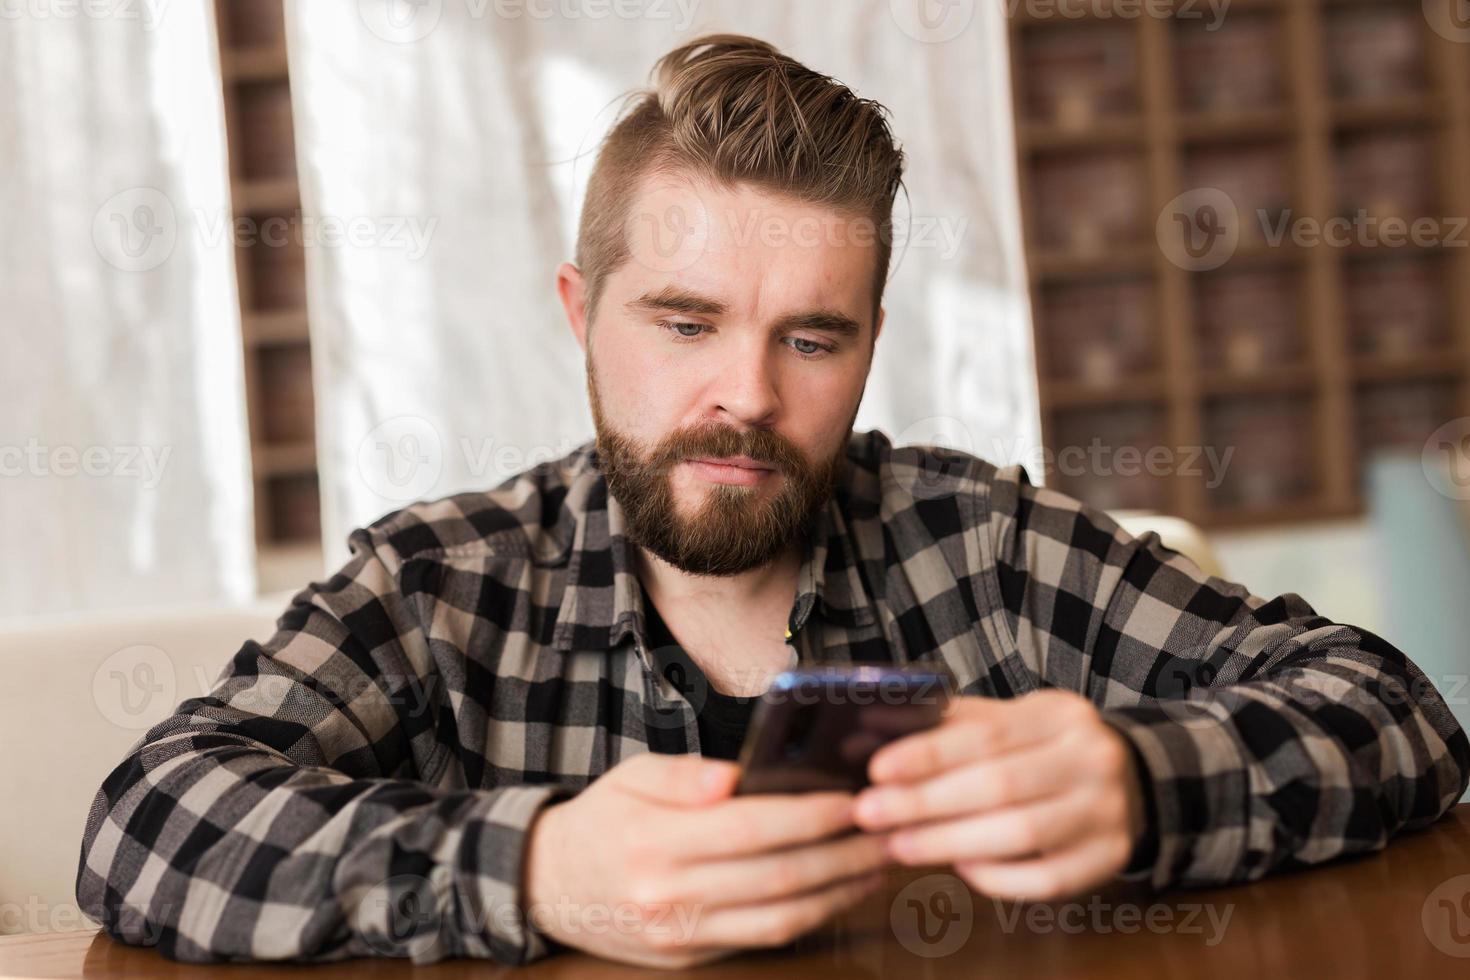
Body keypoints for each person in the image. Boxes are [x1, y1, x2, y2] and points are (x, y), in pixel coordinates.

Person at [76, 33, 1469, 970]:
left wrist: (1141, 780)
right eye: (684, 325)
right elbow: (147, 819)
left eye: (810, 339)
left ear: (868, 340)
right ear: (581, 316)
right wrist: (538, 866)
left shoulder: (984, 544)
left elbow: (1394, 710)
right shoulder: (440, 585)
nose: (744, 395)